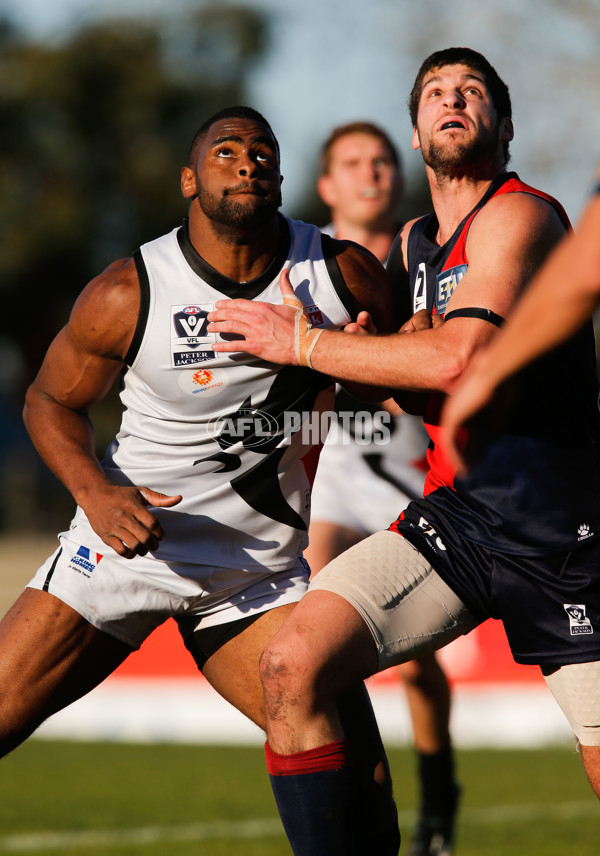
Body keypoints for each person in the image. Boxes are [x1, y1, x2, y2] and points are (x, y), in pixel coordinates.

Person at [207, 48, 600, 848]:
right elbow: (411, 383)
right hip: (461, 523)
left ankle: (439, 795)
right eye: (434, 94)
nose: (453, 100)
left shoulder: (522, 215)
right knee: (292, 666)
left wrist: (310, 346)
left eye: (473, 92)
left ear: (506, 126)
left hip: (570, 541)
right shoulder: (413, 243)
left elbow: (460, 360)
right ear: (418, 133)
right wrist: (356, 361)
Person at [0, 105, 402, 854]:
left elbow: (409, 383)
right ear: (190, 178)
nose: (246, 161)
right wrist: (94, 490)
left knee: (363, 792)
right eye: (225, 151)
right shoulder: (129, 291)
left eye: (262, 152)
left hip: (257, 576)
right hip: (127, 551)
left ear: (280, 178)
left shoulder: (342, 275)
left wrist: (373, 363)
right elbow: (49, 400)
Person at [307, 120, 460, 856]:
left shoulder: (415, 256)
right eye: (353, 164)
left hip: (405, 470)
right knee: (318, 614)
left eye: (382, 162)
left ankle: (438, 792)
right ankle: (354, 793)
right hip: (330, 477)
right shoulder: (303, 259)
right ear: (328, 186)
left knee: (417, 662)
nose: (371, 174)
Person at [440, 166, 600, 470]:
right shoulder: (412, 241)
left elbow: (588, 268)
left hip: (552, 481)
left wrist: (486, 372)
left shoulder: (520, 210)